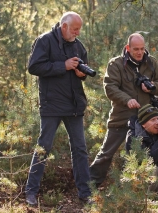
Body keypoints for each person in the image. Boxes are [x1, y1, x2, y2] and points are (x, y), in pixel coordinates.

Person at [25, 11, 92, 205]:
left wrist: (81, 73)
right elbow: (34, 67)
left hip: (74, 105)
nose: (78, 33)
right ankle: (31, 192)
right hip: (52, 104)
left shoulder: (79, 47)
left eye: (79, 29)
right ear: (64, 26)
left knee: (80, 149)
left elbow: (83, 73)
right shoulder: (44, 41)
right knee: (43, 148)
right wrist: (62, 65)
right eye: (75, 29)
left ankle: (85, 193)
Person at [89, 33, 158, 187]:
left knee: (147, 156)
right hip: (122, 118)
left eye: (142, 49)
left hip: (145, 121)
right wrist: (127, 99)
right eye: (135, 49)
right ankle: (89, 188)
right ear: (128, 48)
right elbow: (109, 87)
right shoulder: (116, 64)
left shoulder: (151, 63)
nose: (139, 52)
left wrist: (152, 87)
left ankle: (144, 192)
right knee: (106, 154)